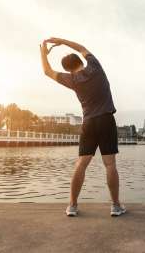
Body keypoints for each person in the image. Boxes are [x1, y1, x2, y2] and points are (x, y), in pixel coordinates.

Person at [39, 37, 126, 217]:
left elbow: (47, 71)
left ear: (67, 69)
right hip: (105, 120)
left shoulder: (71, 80)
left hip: (88, 123)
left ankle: (72, 205)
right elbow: (81, 47)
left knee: (81, 164)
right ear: (80, 61)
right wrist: (60, 41)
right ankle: (116, 206)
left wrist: (43, 51)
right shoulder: (95, 66)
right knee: (110, 164)